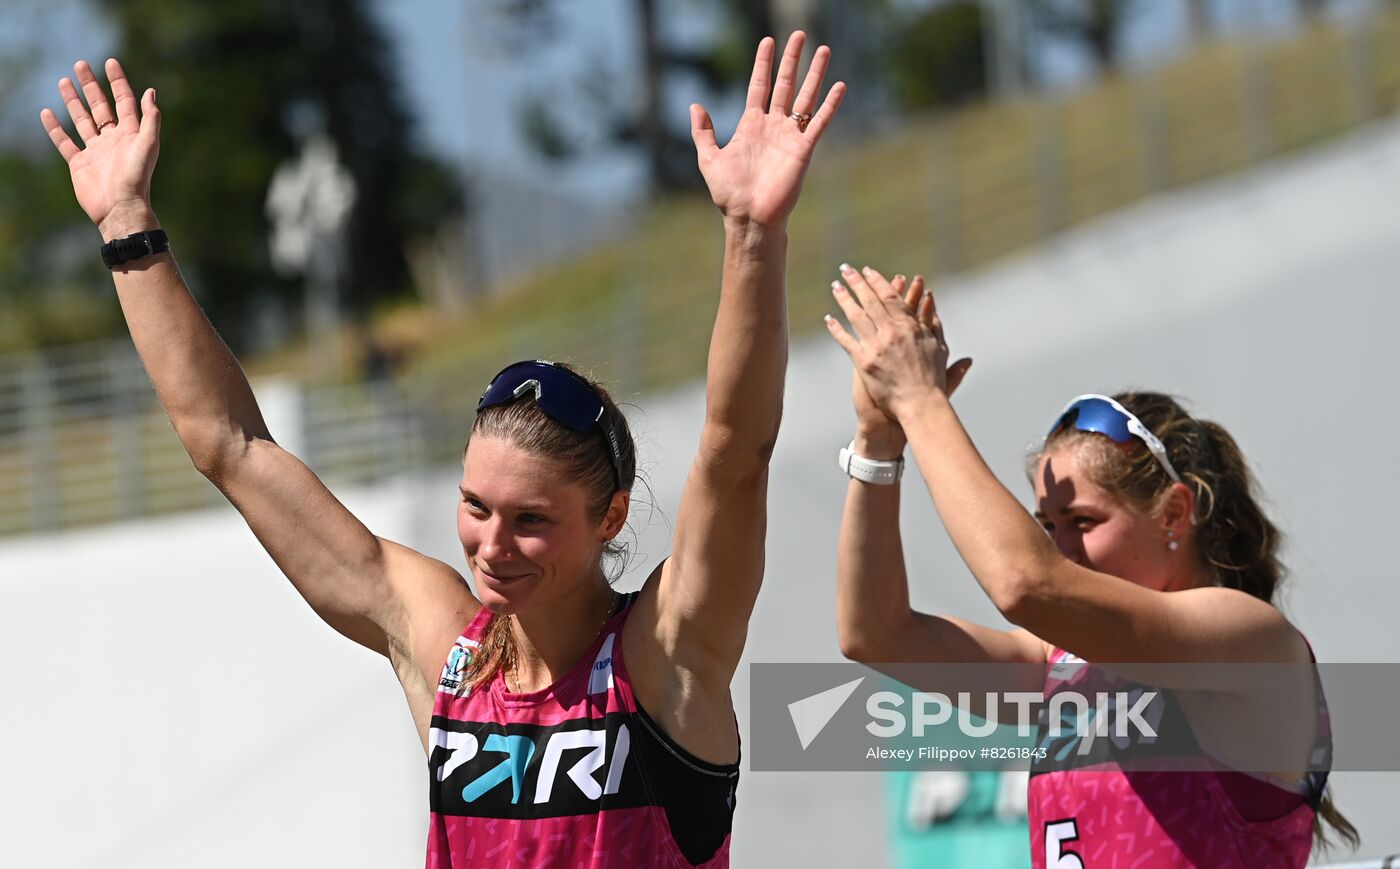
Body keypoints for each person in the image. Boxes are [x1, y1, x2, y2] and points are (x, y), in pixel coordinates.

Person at [41, 35, 844, 867]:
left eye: (531, 519)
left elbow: (734, 453)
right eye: (475, 507)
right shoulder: (444, 648)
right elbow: (231, 446)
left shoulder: (667, 653)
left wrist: (753, 235)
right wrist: (127, 226)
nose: (491, 546)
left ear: (609, 516)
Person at [822, 267, 1358, 866]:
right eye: (1049, 527)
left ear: (1174, 515)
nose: (1062, 548)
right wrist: (879, 440)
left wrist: (921, 402)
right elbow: (875, 634)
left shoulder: (1250, 639)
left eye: (1082, 522)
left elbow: (1025, 584)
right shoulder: (1064, 670)